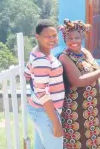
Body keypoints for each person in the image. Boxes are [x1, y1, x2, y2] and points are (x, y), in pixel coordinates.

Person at [58, 19, 100, 149]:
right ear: (64, 39)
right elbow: (78, 81)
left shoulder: (86, 53)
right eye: (70, 38)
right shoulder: (65, 57)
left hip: (94, 106)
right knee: (80, 142)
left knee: (98, 140)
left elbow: (97, 74)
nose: (73, 41)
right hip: (76, 110)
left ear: (82, 37)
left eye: (77, 37)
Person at [24, 19, 64, 149]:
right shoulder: (42, 60)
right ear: (37, 37)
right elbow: (42, 92)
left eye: (54, 35)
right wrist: (55, 122)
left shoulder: (37, 53)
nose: (52, 39)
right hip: (46, 113)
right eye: (47, 36)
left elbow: (27, 74)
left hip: (40, 110)